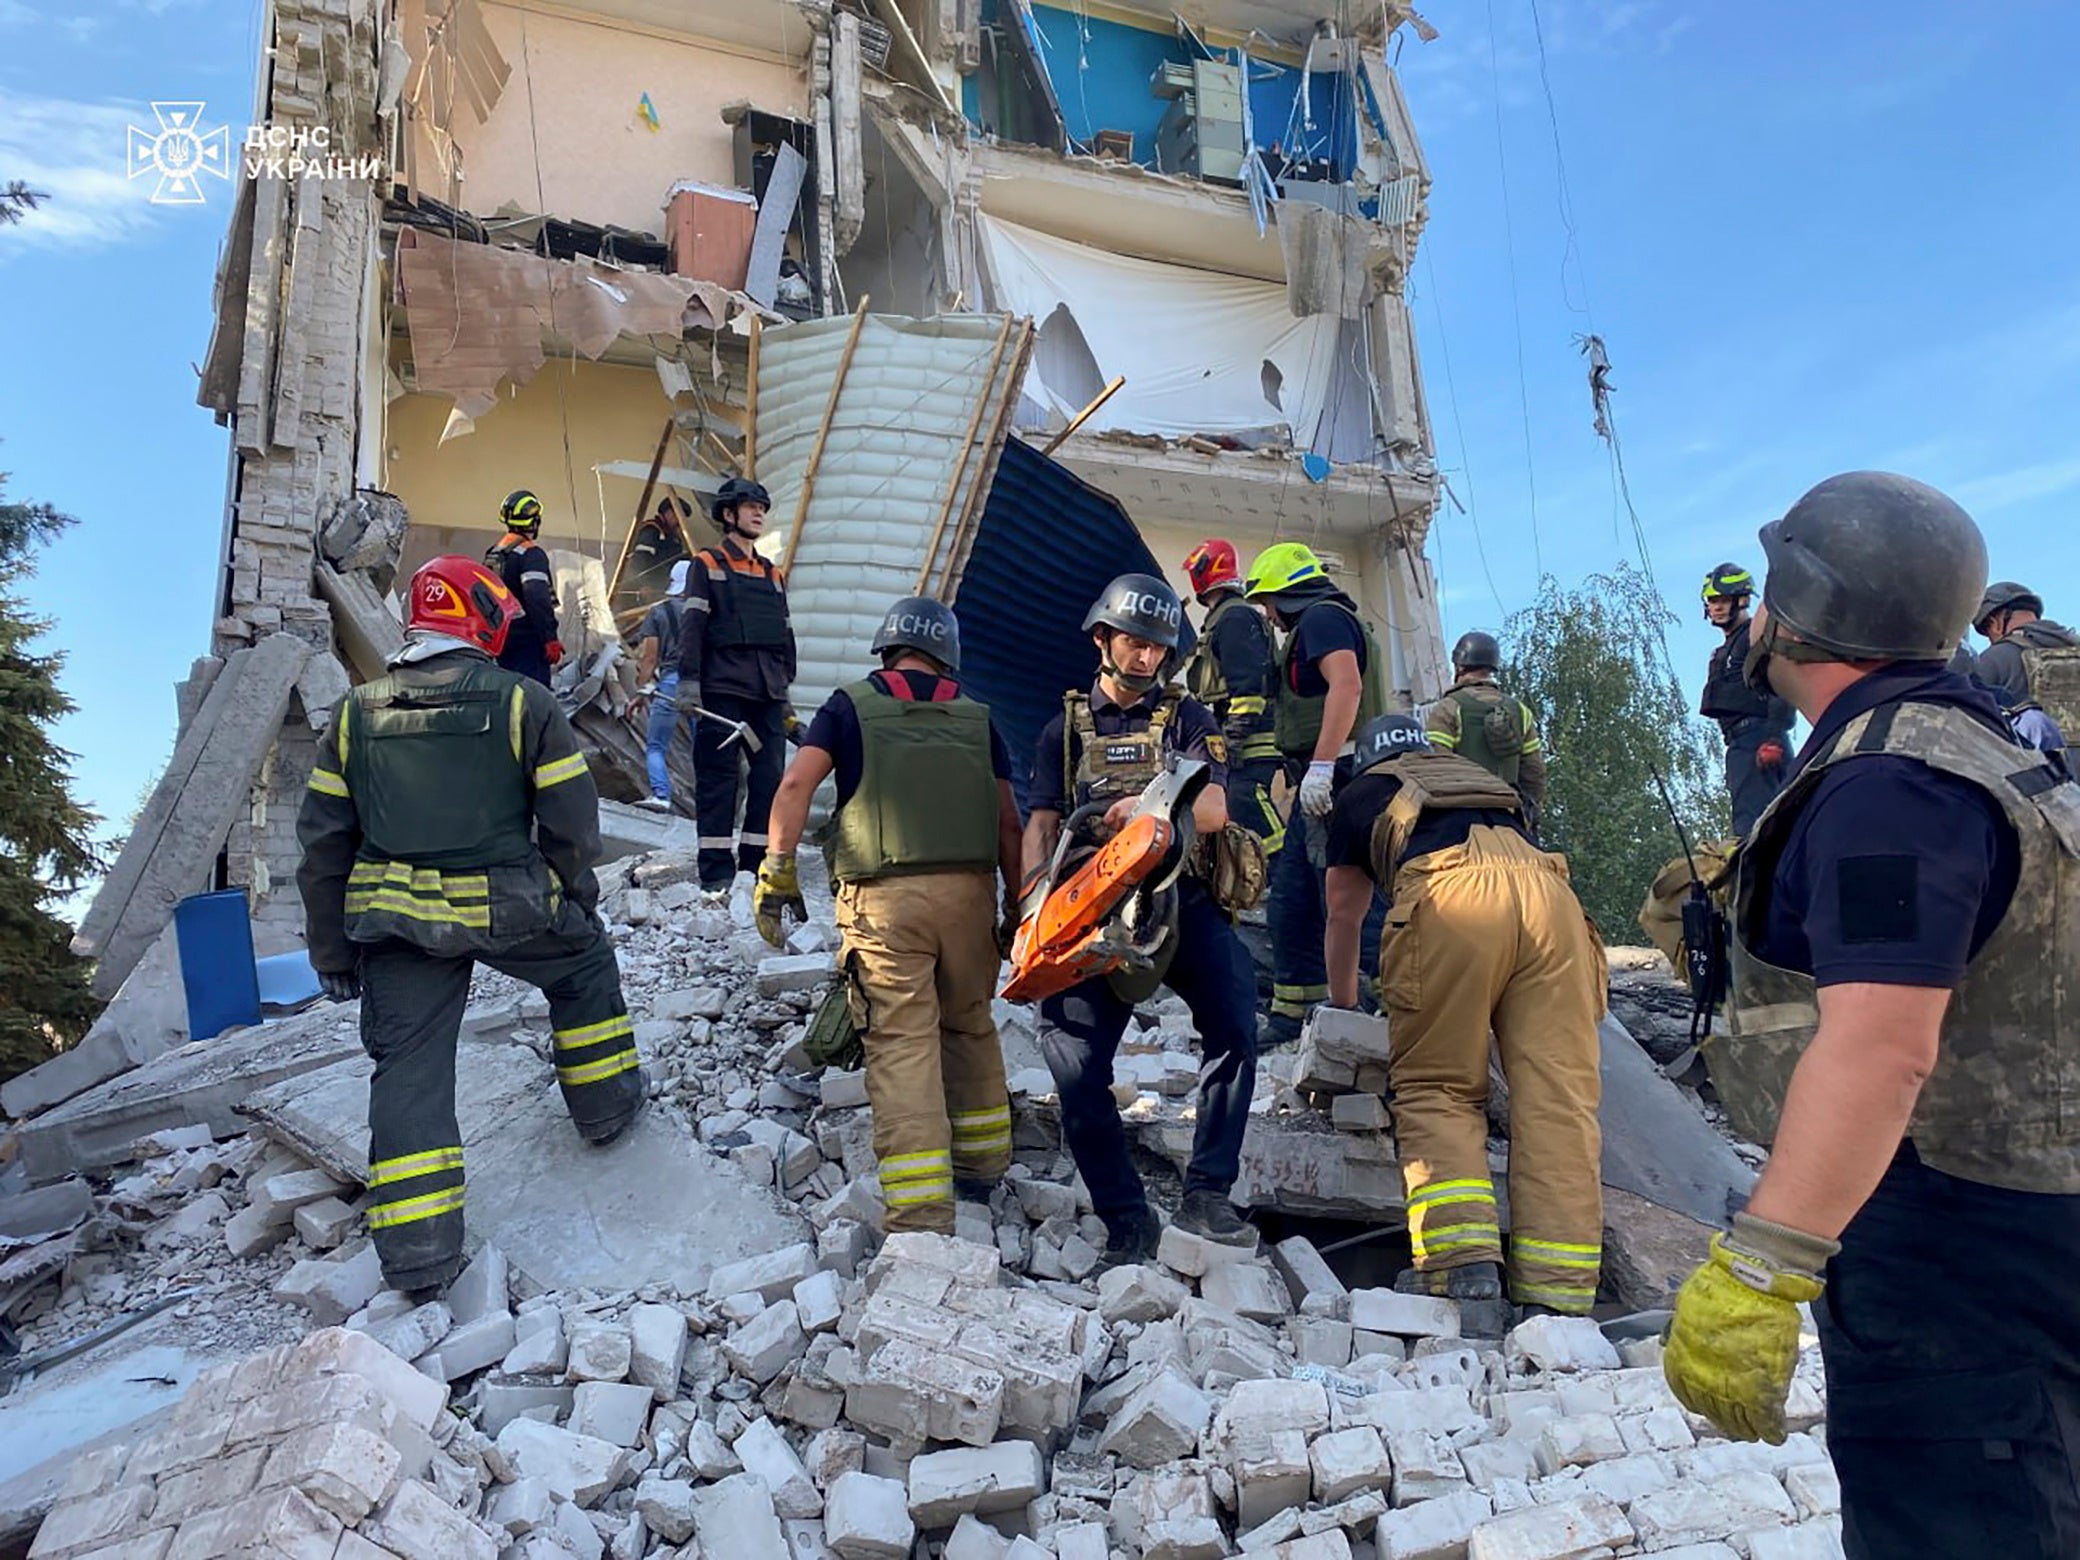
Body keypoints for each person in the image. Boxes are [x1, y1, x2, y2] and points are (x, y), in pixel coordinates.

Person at [1661, 472, 2080, 1556]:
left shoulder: (1891, 781)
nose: (1752, 614)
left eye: (1765, 589)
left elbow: (1883, 1043)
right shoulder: (1988, 749)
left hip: (1957, 1249)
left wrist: (1764, 1261)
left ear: (1800, 609)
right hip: (2035, 1210)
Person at [296, 556, 643, 1294]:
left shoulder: (356, 715)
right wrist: (575, 897)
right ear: (480, 618)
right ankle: (606, 1110)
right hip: (510, 908)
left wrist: (332, 948)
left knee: (409, 1069)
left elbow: (324, 842)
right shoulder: (524, 703)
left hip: (395, 926)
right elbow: (574, 826)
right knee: (583, 969)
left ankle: (419, 1258)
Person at [1323, 714, 1606, 1314]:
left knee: (1438, 1087)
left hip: (1453, 898)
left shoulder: (1363, 792)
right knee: (1558, 1099)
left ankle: (1461, 1268)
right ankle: (1558, 1294)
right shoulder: (1473, 778)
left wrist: (1344, 1006)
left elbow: (1345, 913)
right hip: (1554, 902)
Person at [757, 597, 1023, 1232]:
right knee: (969, 1024)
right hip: (968, 897)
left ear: (886, 647)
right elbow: (1009, 820)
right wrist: (1020, 905)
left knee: (903, 1042)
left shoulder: (851, 707)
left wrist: (777, 870)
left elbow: (796, 787)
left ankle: (922, 1211)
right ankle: (984, 1167)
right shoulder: (977, 717)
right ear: (947, 653)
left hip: (885, 902)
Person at [1022, 574, 1260, 1260]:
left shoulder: (1188, 719)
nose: (1147, 657)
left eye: (1158, 647)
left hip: (1178, 898)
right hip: (1092, 909)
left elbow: (1215, 811)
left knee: (1235, 1025)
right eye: (1135, 642)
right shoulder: (1061, 730)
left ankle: (1208, 1195)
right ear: (1103, 638)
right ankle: (1127, 1218)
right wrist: (1032, 904)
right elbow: (1041, 823)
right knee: (1072, 1059)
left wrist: (1153, 810)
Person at [1243, 541, 1388, 1041]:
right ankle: (1294, 1010)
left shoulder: (1323, 620)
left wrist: (1323, 766)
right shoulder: (1326, 619)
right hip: (1328, 774)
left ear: (1283, 595)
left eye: (1267, 603)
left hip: (1342, 776)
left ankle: (1375, 1004)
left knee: (1345, 901)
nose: (1269, 616)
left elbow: (1345, 687)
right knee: (1294, 897)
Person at [678, 476, 795, 892]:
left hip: (766, 695)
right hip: (721, 692)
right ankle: (715, 871)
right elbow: (693, 626)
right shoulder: (706, 564)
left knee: (769, 777)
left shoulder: (772, 573)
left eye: (762, 506)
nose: (759, 513)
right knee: (718, 779)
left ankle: (752, 865)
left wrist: (784, 695)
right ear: (729, 515)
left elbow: (784, 634)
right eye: (750, 506)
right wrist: (689, 682)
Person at [1180, 538, 1284, 852]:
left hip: (1254, 740)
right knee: (1237, 807)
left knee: (1246, 801)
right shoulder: (1224, 617)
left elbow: (1249, 687)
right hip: (1240, 735)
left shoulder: (1235, 618)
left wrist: (1232, 741)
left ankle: (1283, 875)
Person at [1699, 563, 1796, 835]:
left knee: (1753, 828)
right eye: (1712, 601)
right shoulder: (1727, 649)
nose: (1716, 607)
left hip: (1757, 738)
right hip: (1743, 741)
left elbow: (1778, 682)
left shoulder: (1754, 638)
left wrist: (1773, 738)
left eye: (1723, 600)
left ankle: (1755, 877)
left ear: (1741, 600)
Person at [1424, 631, 1547, 828]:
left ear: (1459, 665)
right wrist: (1530, 812)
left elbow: (1434, 765)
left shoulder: (1448, 708)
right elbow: (1534, 772)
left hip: (1463, 819)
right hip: (1510, 816)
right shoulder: (1520, 711)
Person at [483, 489, 564, 687]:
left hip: (498, 640)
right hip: (527, 643)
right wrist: (550, 637)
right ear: (534, 521)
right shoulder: (531, 554)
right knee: (532, 700)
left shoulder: (493, 553)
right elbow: (536, 596)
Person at [631, 560, 691, 812]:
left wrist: (641, 691)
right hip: (702, 685)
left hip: (671, 683)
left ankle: (661, 796)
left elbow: (650, 657)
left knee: (656, 744)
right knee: (705, 748)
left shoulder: (659, 613)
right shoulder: (709, 612)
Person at [1971, 580, 2080, 712]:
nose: (1991, 641)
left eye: (1988, 634)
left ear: (1994, 623)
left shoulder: (1995, 658)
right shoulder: (2072, 647)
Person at [624, 496, 691, 603]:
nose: (679, 521)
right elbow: (640, 559)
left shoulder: (672, 537)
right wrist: (644, 584)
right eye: (677, 515)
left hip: (662, 588)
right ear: (668, 512)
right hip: (644, 590)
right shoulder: (651, 530)